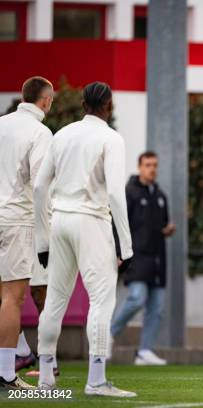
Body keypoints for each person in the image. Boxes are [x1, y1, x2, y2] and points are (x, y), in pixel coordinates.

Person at [33, 82, 136, 397]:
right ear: (108, 105)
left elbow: (39, 187)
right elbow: (117, 194)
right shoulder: (111, 138)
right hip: (91, 222)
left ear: (83, 103)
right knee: (102, 300)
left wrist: (42, 240)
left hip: (59, 221)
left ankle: (46, 376)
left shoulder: (62, 134)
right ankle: (96, 380)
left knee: (55, 299)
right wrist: (126, 245)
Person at [0, 76, 54, 390]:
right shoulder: (40, 132)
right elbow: (40, 186)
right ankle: (6, 373)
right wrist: (46, 232)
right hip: (16, 220)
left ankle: (13, 357)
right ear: (46, 101)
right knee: (12, 299)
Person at [110, 151, 175, 365]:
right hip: (137, 256)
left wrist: (167, 230)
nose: (152, 169)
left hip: (158, 258)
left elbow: (161, 224)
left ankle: (144, 351)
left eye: (155, 165)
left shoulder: (160, 195)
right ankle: (107, 334)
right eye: (148, 165)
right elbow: (118, 223)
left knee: (156, 308)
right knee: (137, 298)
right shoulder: (129, 192)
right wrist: (119, 251)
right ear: (140, 167)